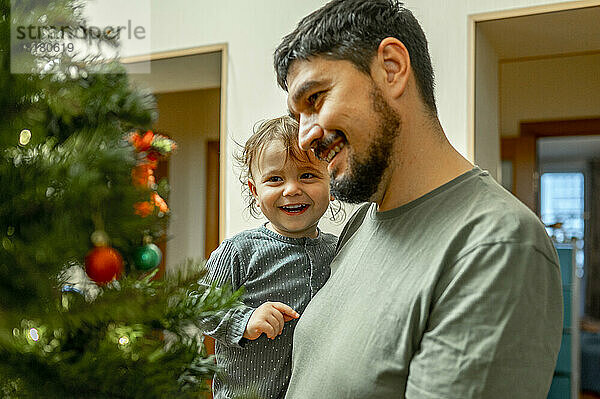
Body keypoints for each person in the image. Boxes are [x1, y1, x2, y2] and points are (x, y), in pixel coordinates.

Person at [273, 1, 563, 398]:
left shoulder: (498, 244)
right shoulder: (362, 223)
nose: (304, 135)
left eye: (316, 99)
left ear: (391, 68)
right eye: (297, 116)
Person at [200, 116, 338, 399]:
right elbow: (198, 306)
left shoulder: (340, 250)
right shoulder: (239, 251)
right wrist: (244, 320)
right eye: (275, 179)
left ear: (332, 183)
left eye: (307, 175)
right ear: (255, 191)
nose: (291, 189)